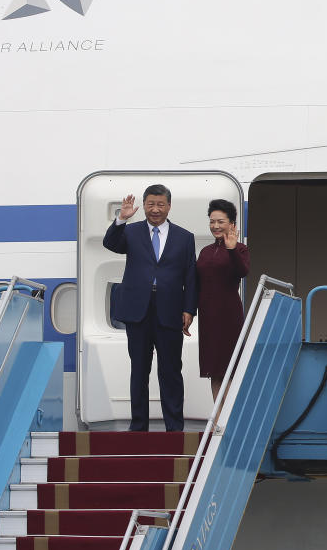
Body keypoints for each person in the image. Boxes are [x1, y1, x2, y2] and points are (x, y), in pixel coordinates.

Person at [103, 184, 197, 431]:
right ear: (144, 205)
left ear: (169, 206)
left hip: (170, 310)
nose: (155, 209)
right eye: (150, 204)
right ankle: (138, 427)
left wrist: (189, 309)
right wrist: (121, 219)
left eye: (160, 204)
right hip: (138, 310)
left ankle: (175, 428)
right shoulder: (131, 232)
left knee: (171, 371)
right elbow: (110, 243)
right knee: (139, 370)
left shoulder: (185, 237)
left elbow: (191, 276)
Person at [196, 199, 250, 400]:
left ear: (232, 224)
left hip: (229, 315)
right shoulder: (205, 251)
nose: (215, 226)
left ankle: (229, 420)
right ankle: (218, 419)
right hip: (208, 316)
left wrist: (232, 249)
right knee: (214, 369)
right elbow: (197, 282)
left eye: (221, 221)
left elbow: (242, 271)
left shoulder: (240, 249)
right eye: (212, 222)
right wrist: (189, 311)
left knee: (230, 367)